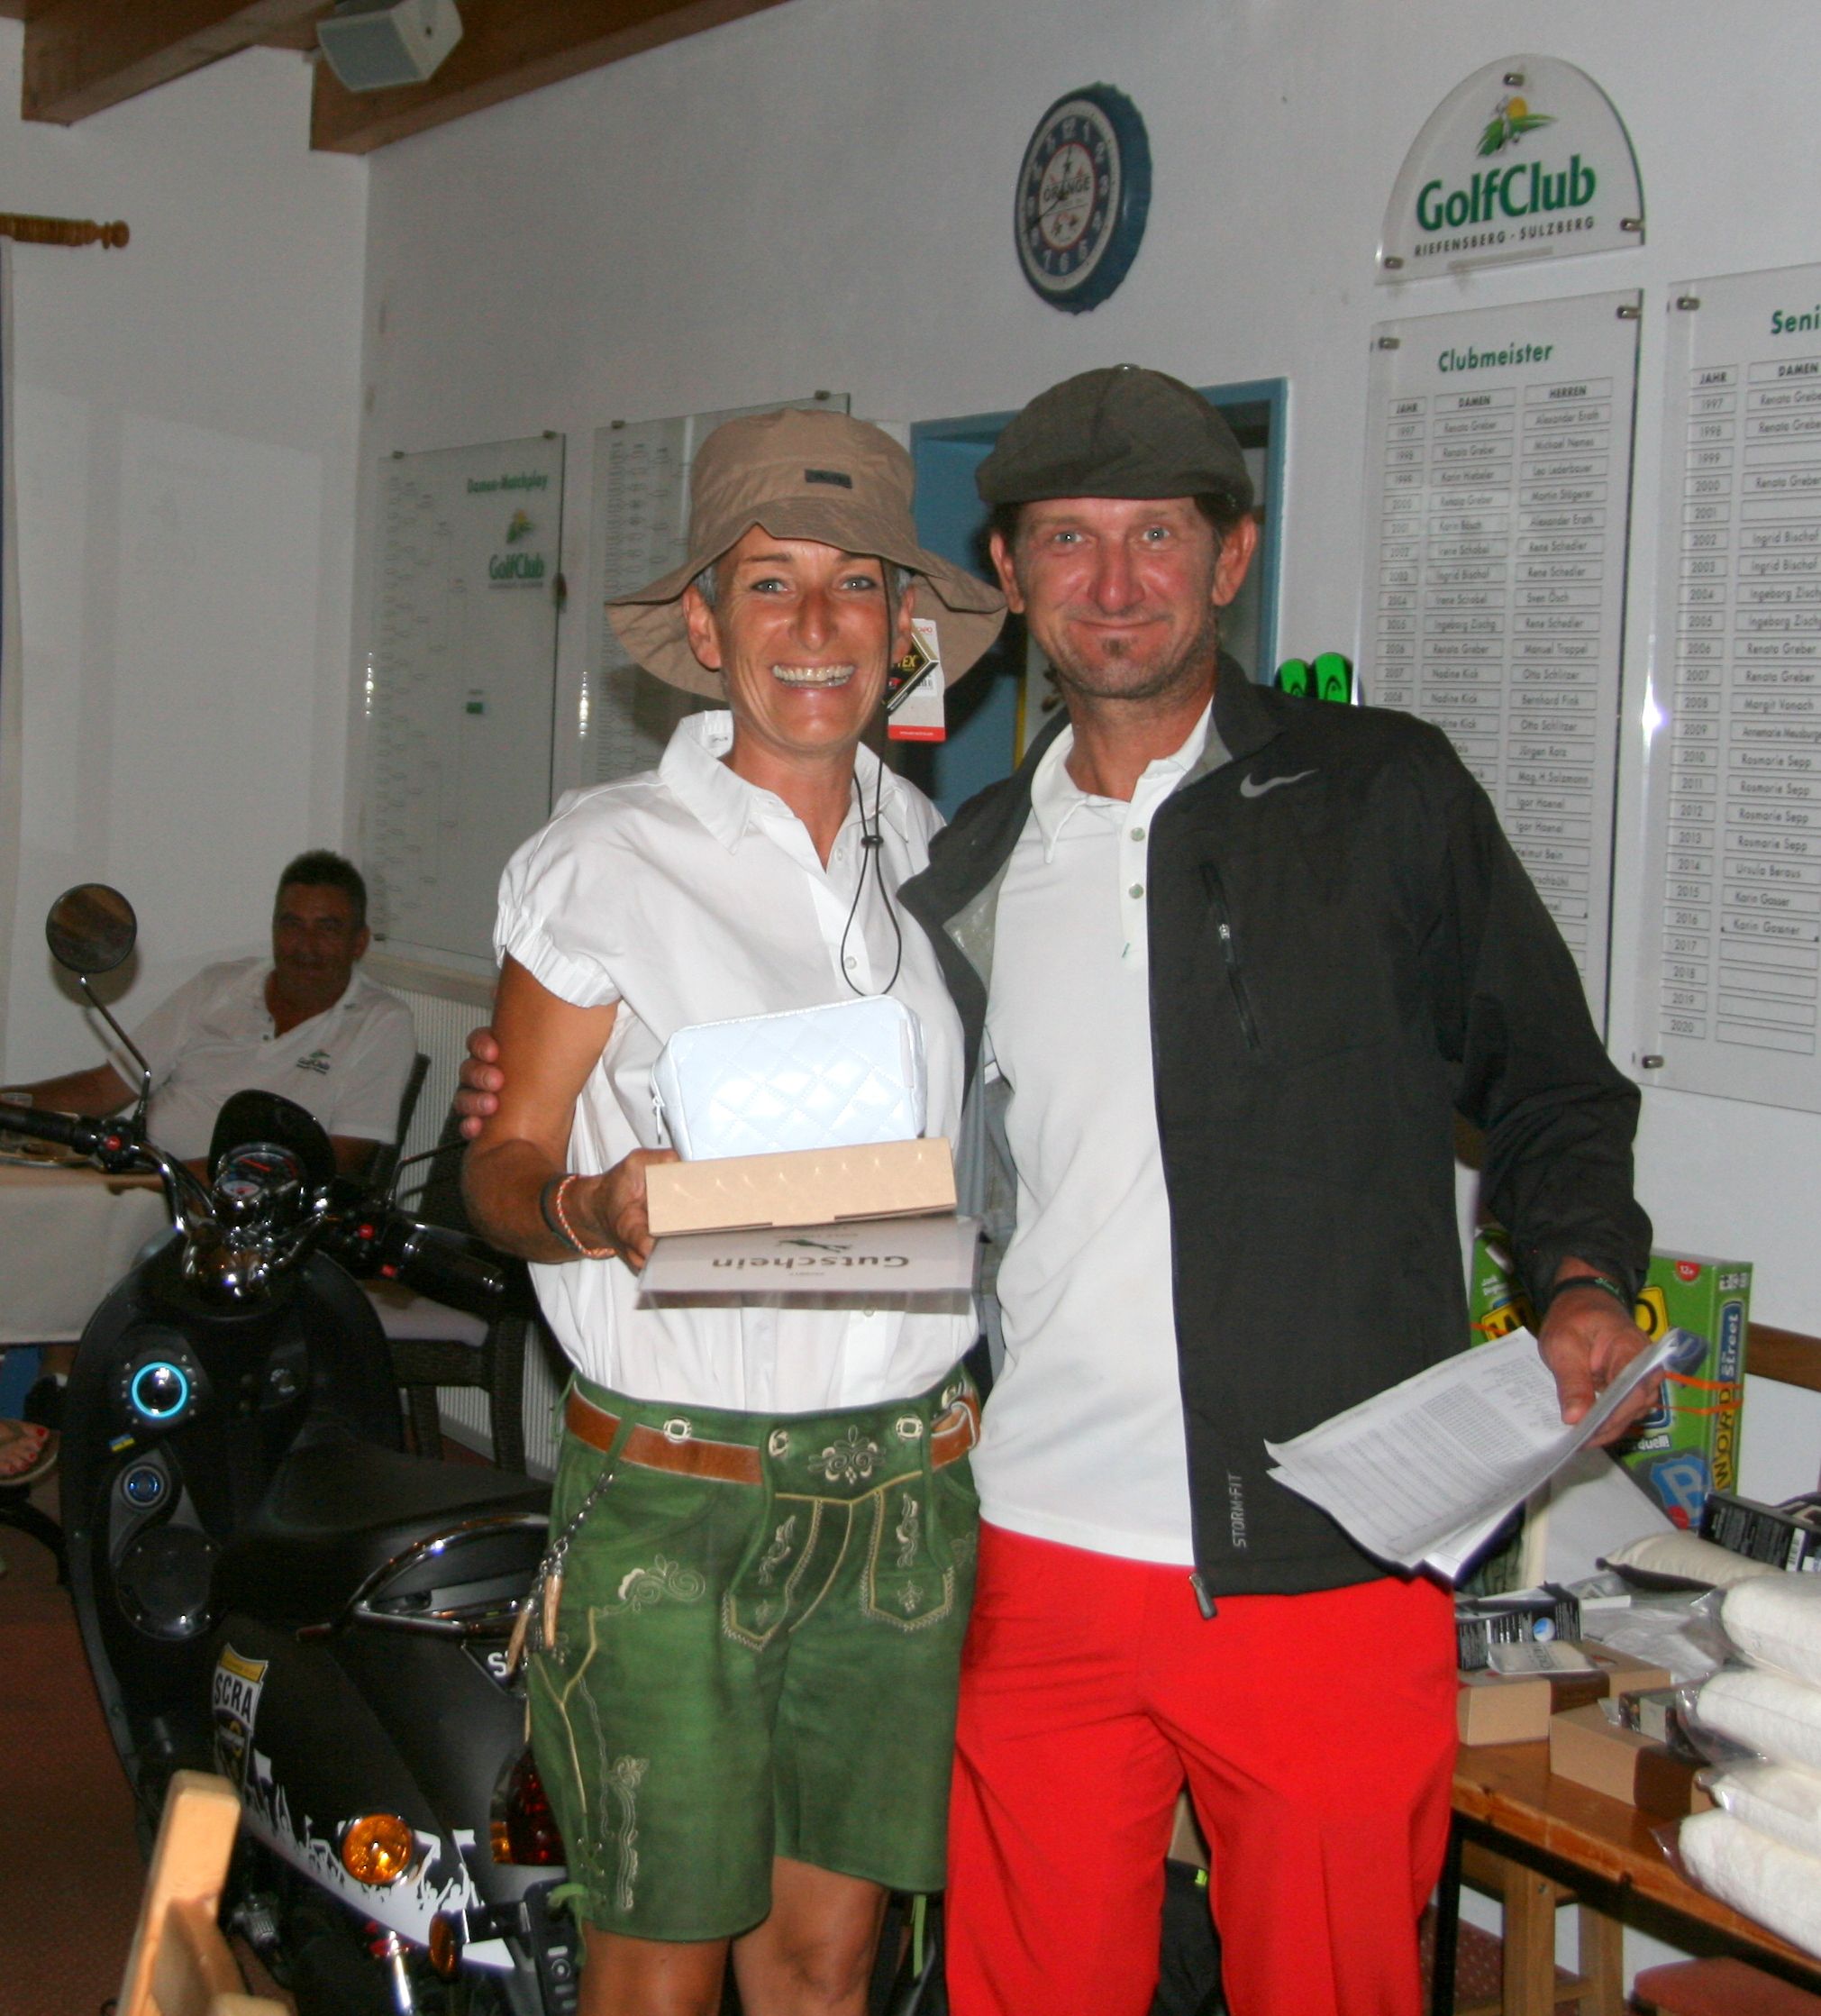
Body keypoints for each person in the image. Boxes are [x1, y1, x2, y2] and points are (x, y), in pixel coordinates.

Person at [457, 367, 1660, 2016]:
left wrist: (1579, 1273)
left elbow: (1554, 1081)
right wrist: (559, 1172)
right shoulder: (973, 858)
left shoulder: (1367, 800)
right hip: (1022, 1545)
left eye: (1156, 534)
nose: (1114, 581)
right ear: (1010, 580)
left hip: (1310, 1551)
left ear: (1231, 557)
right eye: (1069, 541)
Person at [460, 408, 1005, 2016]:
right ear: (705, 627)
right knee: (659, 1967)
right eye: (770, 582)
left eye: (857, 584)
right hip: (677, 1498)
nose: (816, 623)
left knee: (828, 1965)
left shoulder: (942, 858)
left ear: (904, 629)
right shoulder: (603, 859)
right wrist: (593, 1205)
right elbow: (499, 1168)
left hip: (900, 1490)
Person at [3, 850, 414, 1181]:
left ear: (359, 942)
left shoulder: (381, 1022)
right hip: (144, 1185)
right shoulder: (220, 985)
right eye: (291, 924)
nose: (305, 945)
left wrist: (164, 1181)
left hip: (245, 1220)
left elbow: (341, 1159)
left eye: (327, 928)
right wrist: (8, 1107)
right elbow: (103, 1088)